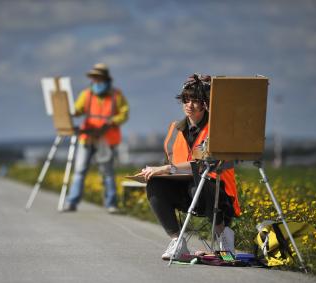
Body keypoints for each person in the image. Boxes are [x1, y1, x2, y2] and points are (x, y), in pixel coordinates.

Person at [137, 74, 241, 260]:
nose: (189, 105)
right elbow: (171, 162)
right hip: (185, 191)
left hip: (216, 194)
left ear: (206, 103)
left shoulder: (217, 130)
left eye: (195, 100)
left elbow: (205, 165)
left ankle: (223, 239)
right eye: (186, 100)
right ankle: (178, 242)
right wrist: (156, 171)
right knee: (155, 184)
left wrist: (166, 169)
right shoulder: (175, 128)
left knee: (198, 185)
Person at [63, 63, 129, 213]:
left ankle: (111, 203)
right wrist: (68, 111)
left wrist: (112, 121)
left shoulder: (116, 95)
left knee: (107, 172)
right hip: (87, 136)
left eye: (99, 78)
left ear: (105, 79)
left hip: (106, 138)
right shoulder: (86, 94)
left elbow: (124, 113)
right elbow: (78, 109)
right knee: (79, 170)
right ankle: (71, 202)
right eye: (94, 78)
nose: (96, 81)